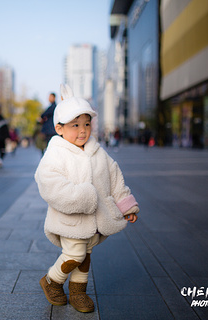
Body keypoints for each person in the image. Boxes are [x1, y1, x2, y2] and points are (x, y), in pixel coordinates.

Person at [35, 84, 139, 313]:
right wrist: (80, 197)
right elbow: (48, 181)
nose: (83, 131)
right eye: (75, 126)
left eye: (87, 124)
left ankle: (78, 291)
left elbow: (114, 177)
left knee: (86, 256)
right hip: (69, 218)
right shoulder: (56, 152)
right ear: (59, 128)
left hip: (94, 219)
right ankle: (52, 280)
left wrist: (126, 205)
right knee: (75, 253)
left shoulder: (97, 151)